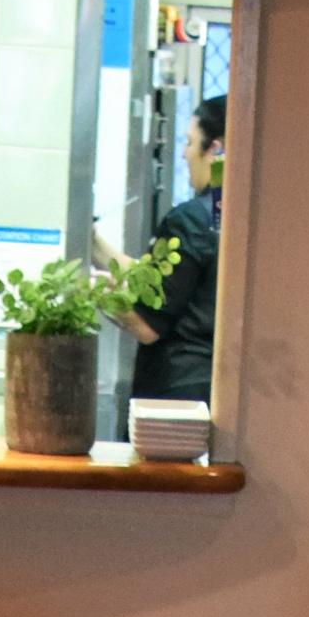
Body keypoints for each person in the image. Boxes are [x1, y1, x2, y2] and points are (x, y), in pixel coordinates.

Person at [116, 93, 225, 400]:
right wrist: (96, 245)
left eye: (189, 143)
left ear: (214, 149)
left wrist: (104, 296)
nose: (184, 155)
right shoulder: (241, 224)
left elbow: (147, 323)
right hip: (220, 392)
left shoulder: (190, 220)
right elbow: (159, 278)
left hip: (176, 396)